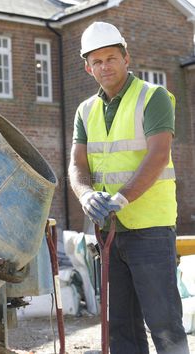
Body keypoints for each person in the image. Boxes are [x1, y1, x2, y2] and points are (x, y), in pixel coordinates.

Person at [68, 21, 190, 354]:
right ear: (87, 67)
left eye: (110, 58)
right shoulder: (85, 110)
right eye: (97, 61)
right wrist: (87, 195)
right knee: (120, 328)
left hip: (150, 229)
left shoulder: (154, 97)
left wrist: (121, 198)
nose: (104, 66)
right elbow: (78, 164)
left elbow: (158, 153)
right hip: (109, 231)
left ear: (126, 58)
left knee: (164, 324)